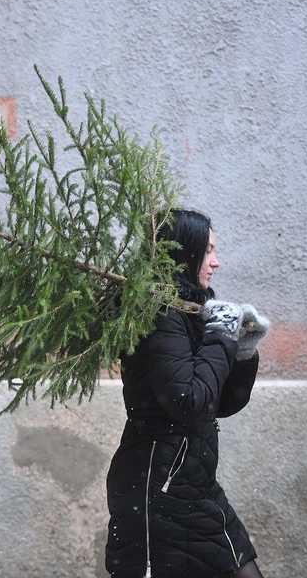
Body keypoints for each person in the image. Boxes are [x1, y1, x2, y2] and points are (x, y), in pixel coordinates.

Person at [105, 209, 270, 578]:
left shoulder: (189, 312)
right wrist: (221, 335)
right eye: (208, 250)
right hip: (160, 489)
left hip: (193, 483)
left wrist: (242, 351)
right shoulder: (158, 314)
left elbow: (221, 403)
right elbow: (187, 400)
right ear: (185, 253)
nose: (216, 261)